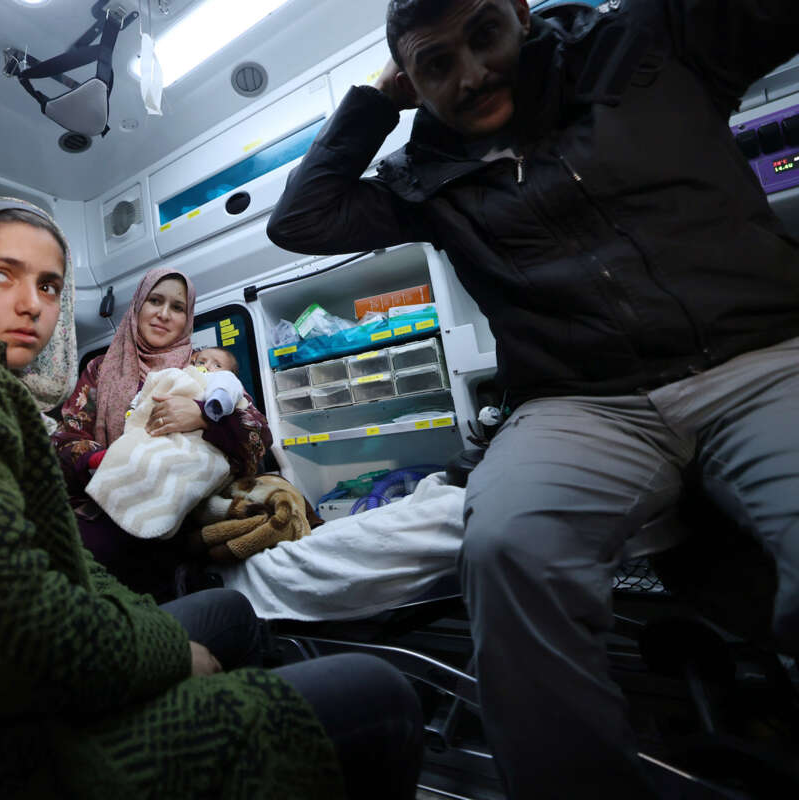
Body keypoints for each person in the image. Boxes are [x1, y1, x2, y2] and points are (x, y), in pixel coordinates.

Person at [266, 1, 799, 797]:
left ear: (522, 11)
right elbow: (300, 219)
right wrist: (379, 99)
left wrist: (415, 68)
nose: (472, 74)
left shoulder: (640, 50)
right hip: (582, 403)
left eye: (484, 34)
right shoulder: (423, 177)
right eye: (436, 64)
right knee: (507, 548)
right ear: (413, 79)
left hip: (758, 353)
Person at [0, 197, 425, 799]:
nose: (30, 305)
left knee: (231, 615)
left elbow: (252, 440)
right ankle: (256, 730)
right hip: (9, 739)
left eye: (50, 287)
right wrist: (114, 463)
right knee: (381, 692)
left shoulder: (205, 376)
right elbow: (14, 609)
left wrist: (205, 417)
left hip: (127, 561)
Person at [53, 268, 272, 600]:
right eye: (155, 301)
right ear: (138, 305)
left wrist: (204, 418)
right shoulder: (100, 369)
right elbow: (65, 437)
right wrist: (107, 460)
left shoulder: (201, 367)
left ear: (187, 319)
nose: (164, 314)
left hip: (179, 500)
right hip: (104, 491)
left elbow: (259, 436)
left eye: (177, 307)